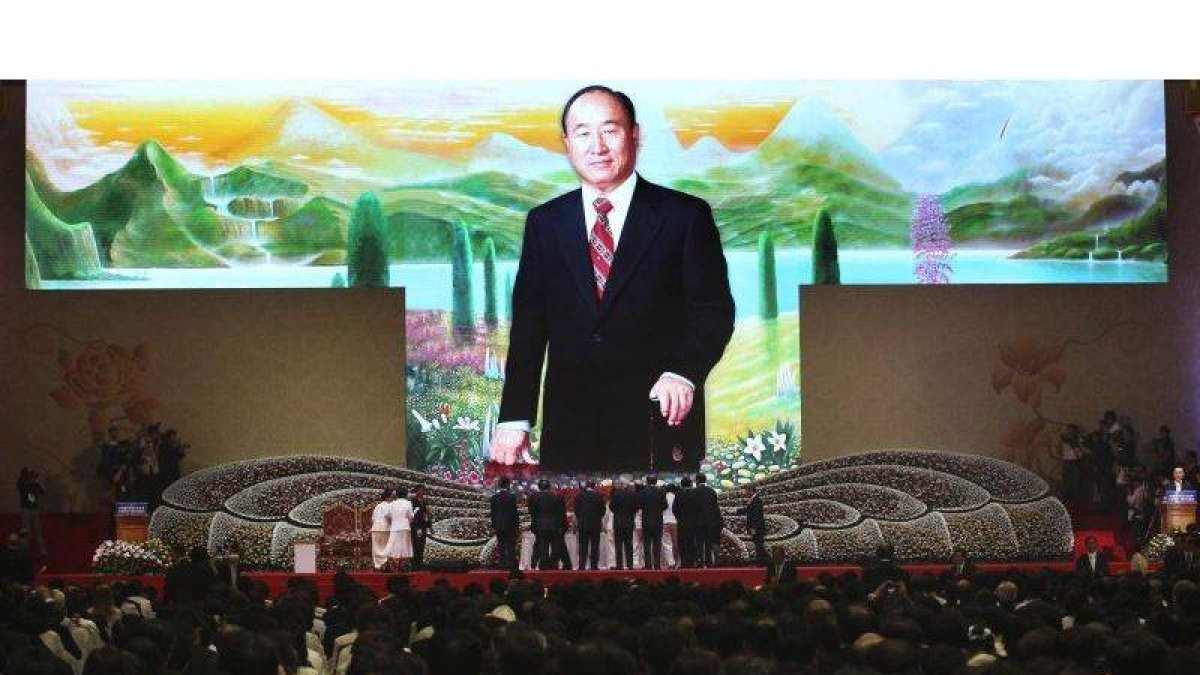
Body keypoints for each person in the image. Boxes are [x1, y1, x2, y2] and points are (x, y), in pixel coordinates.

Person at [490, 84, 736, 473]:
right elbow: (529, 330)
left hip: (659, 424)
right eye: (583, 133)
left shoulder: (685, 217)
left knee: (661, 531)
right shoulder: (545, 223)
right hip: (569, 430)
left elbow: (714, 312)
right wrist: (514, 418)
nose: (597, 146)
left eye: (610, 130)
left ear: (635, 135)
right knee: (573, 532)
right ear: (567, 142)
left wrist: (683, 372)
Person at [529, 479, 568, 570]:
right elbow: (561, 513)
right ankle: (553, 565)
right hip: (555, 526)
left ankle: (543, 566)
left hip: (540, 526)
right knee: (555, 547)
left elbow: (532, 512)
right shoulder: (557, 497)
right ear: (549, 487)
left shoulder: (534, 497)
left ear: (539, 487)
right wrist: (563, 526)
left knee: (543, 547)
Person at [573, 480, 606, 570]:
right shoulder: (599, 497)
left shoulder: (579, 496)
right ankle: (594, 566)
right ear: (594, 486)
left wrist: (581, 518)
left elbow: (576, 511)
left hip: (583, 524)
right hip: (595, 525)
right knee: (595, 546)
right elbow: (603, 511)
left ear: (586, 486)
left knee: (583, 546)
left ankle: (582, 565)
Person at [489, 477, 519, 571]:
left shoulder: (494, 497)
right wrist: (517, 524)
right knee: (511, 544)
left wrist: (494, 525)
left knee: (501, 544)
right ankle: (511, 563)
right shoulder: (512, 497)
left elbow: (493, 513)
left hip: (498, 524)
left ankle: (502, 563)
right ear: (508, 485)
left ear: (499, 485)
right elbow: (514, 512)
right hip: (510, 524)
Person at [692, 473, 723, 567]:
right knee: (709, 542)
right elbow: (715, 507)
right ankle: (709, 562)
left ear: (697, 481)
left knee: (699, 543)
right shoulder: (711, 491)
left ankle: (701, 562)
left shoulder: (694, 492)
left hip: (697, 522)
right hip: (710, 521)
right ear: (705, 480)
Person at [16, 467, 47, 560]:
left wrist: (36, 481)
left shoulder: (34, 483)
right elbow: (23, 489)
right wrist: (33, 482)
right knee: (26, 532)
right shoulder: (21, 483)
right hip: (27, 509)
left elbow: (42, 491)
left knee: (37, 532)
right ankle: (24, 551)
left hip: (33, 509)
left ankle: (42, 551)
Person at [639, 474, 668, 570]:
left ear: (647, 482)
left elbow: (641, 505)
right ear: (656, 481)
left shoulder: (643, 492)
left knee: (646, 544)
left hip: (646, 520)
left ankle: (648, 565)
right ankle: (657, 565)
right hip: (658, 520)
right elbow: (665, 506)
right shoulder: (661, 491)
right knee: (657, 544)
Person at [609, 480, 639, 570]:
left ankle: (619, 565)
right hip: (629, 522)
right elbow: (636, 508)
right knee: (629, 545)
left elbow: (611, 507)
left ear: (622, 486)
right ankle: (630, 565)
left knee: (618, 546)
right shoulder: (632, 495)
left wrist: (618, 513)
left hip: (618, 523)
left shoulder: (616, 495)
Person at [736, 484, 767, 566]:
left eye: (746, 490)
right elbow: (748, 510)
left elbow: (756, 515)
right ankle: (762, 562)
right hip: (756, 527)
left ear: (750, 490)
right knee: (758, 546)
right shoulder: (753, 499)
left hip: (757, 528)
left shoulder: (757, 500)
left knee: (759, 546)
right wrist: (735, 511)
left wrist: (753, 528)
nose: (744, 492)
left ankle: (765, 562)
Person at [386, 487, 415, 570]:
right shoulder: (408, 503)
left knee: (394, 547)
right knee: (404, 548)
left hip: (394, 528)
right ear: (406, 494)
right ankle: (402, 567)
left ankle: (395, 567)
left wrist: (393, 522)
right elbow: (411, 517)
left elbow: (388, 516)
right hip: (405, 527)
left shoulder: (392, 504)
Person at [673, 475, 696, 568]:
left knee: (682, 542)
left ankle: (684, 562)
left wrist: (679, 518)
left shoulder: (678, 494)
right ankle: (692, 561)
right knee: (692, 542)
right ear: (690, 484)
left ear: (681, 485)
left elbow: (675, 509)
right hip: (693, 522)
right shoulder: (694, 494)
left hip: (682, 522)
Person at [369, 488, 394, 570]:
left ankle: (378, 566)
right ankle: (385, 565)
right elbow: (389, 517)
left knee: (376, 548)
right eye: (392, 497)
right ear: (388, 497)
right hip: (386, 528)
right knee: (386, 548)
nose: (393, 499)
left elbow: (372, 519)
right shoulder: (390, 505)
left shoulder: (377, 506)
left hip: (375, 529)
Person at [411, 486, 432, 571]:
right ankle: (415, 565)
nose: (423, 492)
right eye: (421, 490)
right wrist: (417, 527)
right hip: (417, 527)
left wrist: (429, 526)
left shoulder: (424, 502)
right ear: (417, 492)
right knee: (417, 545)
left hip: (423, 526)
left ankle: (420, 563)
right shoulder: (413, 502)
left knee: (422, 545)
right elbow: (413, 516)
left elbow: (426, 515)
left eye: (423, 491)